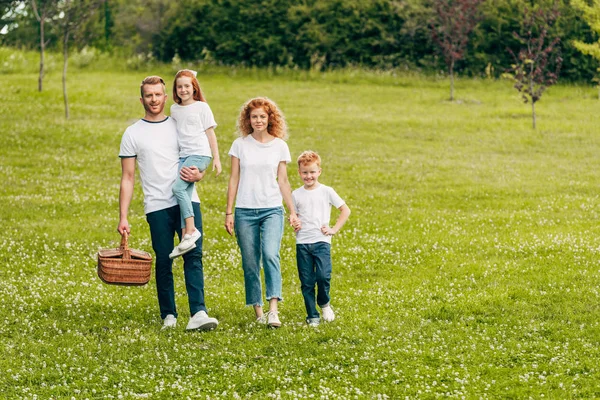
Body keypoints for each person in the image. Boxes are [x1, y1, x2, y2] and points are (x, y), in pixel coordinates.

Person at [117, 75, 218, 331]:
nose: (154, 100)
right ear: (142, 99)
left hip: (187, 203)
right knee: (164, 259)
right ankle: (169, 316)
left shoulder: (178, 122)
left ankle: (198, 313)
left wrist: (200, 174)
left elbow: (198, 152)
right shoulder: (132, 133)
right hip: (157, 205)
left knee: (193, 256)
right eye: (149, 95)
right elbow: (128, 177)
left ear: (165, 96)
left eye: (158, 94)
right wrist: (123, 216)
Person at [224, 97, 300, 328]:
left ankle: (273, 310)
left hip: (272, 210)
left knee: (270, 254)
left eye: (262, 117)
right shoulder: (240, 145)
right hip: (245, 211)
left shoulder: (279, 146)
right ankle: (259, 312)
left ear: (270, 119)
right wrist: (229, 213)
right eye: (254, 116)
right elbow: (234, 179)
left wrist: (293, 212)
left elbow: (283, 181)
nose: (258, 120)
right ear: (248, 119)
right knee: (250, 262)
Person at [292, 150, 350, 327]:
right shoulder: (296, 194)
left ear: (319, 171)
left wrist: (333, 229)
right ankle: (312, 315)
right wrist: (294, 222)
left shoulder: (327, 191)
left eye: (312, 172)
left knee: (323, 276)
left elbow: (345, 210)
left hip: (321, 241)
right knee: (307, 281)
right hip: (303, 242)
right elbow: (294, 216)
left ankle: (324, 303)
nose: (308, 176)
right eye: (305, 172)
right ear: (299, 172)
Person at [169, 69, 221, 259]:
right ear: (176, 89)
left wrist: (216, 158)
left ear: (194, 88)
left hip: (199, 154)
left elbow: (210, 133)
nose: (183, 90)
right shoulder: (174, 109)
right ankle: (186, 238)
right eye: (180, 86)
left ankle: (191, 231)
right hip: (184, 156)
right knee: (186, 193)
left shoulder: (201, 107)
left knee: (178, 189)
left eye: (187, 86)